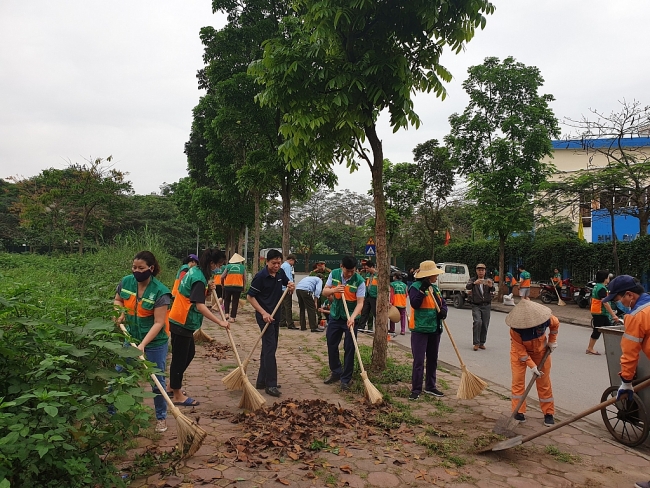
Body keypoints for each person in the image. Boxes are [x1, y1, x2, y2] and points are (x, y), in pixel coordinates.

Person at [114, 251, 172, 433]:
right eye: (134, 267)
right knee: (120, 373)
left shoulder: (161, 292)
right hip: (130, 336)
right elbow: (118, 300)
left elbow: (159, 322)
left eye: (141, 268)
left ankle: (161, 418)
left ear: (151, 268)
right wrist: (120, 313)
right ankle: (112, 413)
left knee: (157, 379)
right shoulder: (126, 282)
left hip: (155, 341)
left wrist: (142, 345)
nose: (136, 271)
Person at [604, 276, 650, 488]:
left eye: (619, 299)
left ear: (630, 295)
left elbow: (630, 356)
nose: (618, 304)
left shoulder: (637, 316)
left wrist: (626, 383)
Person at [168, 249, 230, 406]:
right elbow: (200, 305)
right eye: (220, 264)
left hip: (181, 319)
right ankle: (177, 394)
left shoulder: (196, 271)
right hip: (182, 320)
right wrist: (220, 322)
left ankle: (171, 386)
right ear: (211, 263)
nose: (220, 268)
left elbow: (196, 295)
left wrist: (208, 290)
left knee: (188, 354)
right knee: (180, 358)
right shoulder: (198, 278)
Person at [247, 249, 295, 397]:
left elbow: (289, 284)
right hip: (265, 316)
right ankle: (271, 384)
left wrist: (291, 287)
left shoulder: (280, 273)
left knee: (269, 347)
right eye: (273, 263)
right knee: (270, 348)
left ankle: (262, 380)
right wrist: (263, 313)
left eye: (279, 263)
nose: (276, 265)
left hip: (276, 315)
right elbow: (250, 297)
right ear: (266, 262)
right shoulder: (260, 277)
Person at [505, 299, 559, 427]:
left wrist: (552, 340)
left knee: (544, 382)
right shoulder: (516, 330)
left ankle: (548, 413)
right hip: (519, 354)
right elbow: (521, 352)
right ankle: (518, 411)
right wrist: (532, 366)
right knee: (518, 381)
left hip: (541, 351)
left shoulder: (546, 319)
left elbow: (555, 326)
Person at [321, 255, 366, 391]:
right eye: (348, 271)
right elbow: (324, 291)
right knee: (331, 343)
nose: (351, 273)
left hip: (350, 319)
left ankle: (346, 379)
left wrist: (352, 317)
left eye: (353, 271)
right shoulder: (334, 274)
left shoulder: (360, 281)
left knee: (350, 348)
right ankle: (336, 371)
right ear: (342, 267)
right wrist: (334, 290)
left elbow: (360, 303)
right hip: (335, 316)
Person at [408, 260, 447, 400]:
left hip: (435, 328)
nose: (436, 276)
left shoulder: (435, 288)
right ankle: (416, 389)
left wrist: (443, 311)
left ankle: (431, 386)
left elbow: (443, 303)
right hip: (420, 328)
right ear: (428, 276)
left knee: (432, 359)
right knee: (419, 361)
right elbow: (415, 304)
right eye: (434, 274)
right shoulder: (415, 287)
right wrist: (422, 289)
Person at [587, 269, 622, 355]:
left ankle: (610, 349)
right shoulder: (601, 288)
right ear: (605, 278)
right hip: (600, 312)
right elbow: (605, 303)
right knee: (598, 330)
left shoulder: (597, 286)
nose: (609, 279)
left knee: (610, 330)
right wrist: (613, 315)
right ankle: (590, 348)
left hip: (599, 312)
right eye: (608, 277)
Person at [466, 263, 494, 351]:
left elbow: (493, 290)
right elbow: (468, 286)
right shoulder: (473, 280)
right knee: (477, 322)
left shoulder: (488, 280)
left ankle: (482, 342)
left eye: (482, 270)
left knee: (485, 324)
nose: (481, 272)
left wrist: (491, 286)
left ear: (485, 271)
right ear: (476, 271)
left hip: (486, 305)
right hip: (476, 305)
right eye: (479, 270)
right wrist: (474, 283)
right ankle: (476, 343)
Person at [221, 253, 246, 323]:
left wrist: (222, 284)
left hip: (228, 286)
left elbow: (222, 276)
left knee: (227, 300)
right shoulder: (242, 267)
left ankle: (226, 314)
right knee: (235, 302)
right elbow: (245, 278)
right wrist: (244, 287)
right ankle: (232, 318)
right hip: (238, 287)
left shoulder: (228, 266)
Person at [279, 254, 297, 330]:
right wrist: (291, 288)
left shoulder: (284, 265)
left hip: (282, 289)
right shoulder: (287, 266)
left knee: (283, 306)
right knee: (288, 306)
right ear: (291, 260)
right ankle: (290, 323)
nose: (294, 263)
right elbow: (288, 278)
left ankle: (282, 322)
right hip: (286, 289)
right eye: (294, 261)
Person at [358, 261, 378, 333]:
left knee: (376, 313)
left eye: (368, 268)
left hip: (374, 296)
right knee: (364, 312)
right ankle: (361, 328)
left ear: (372, 267)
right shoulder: (368, 275)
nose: (367, 270)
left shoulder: (378, 275)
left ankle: (378, 329)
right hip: (367, 296)